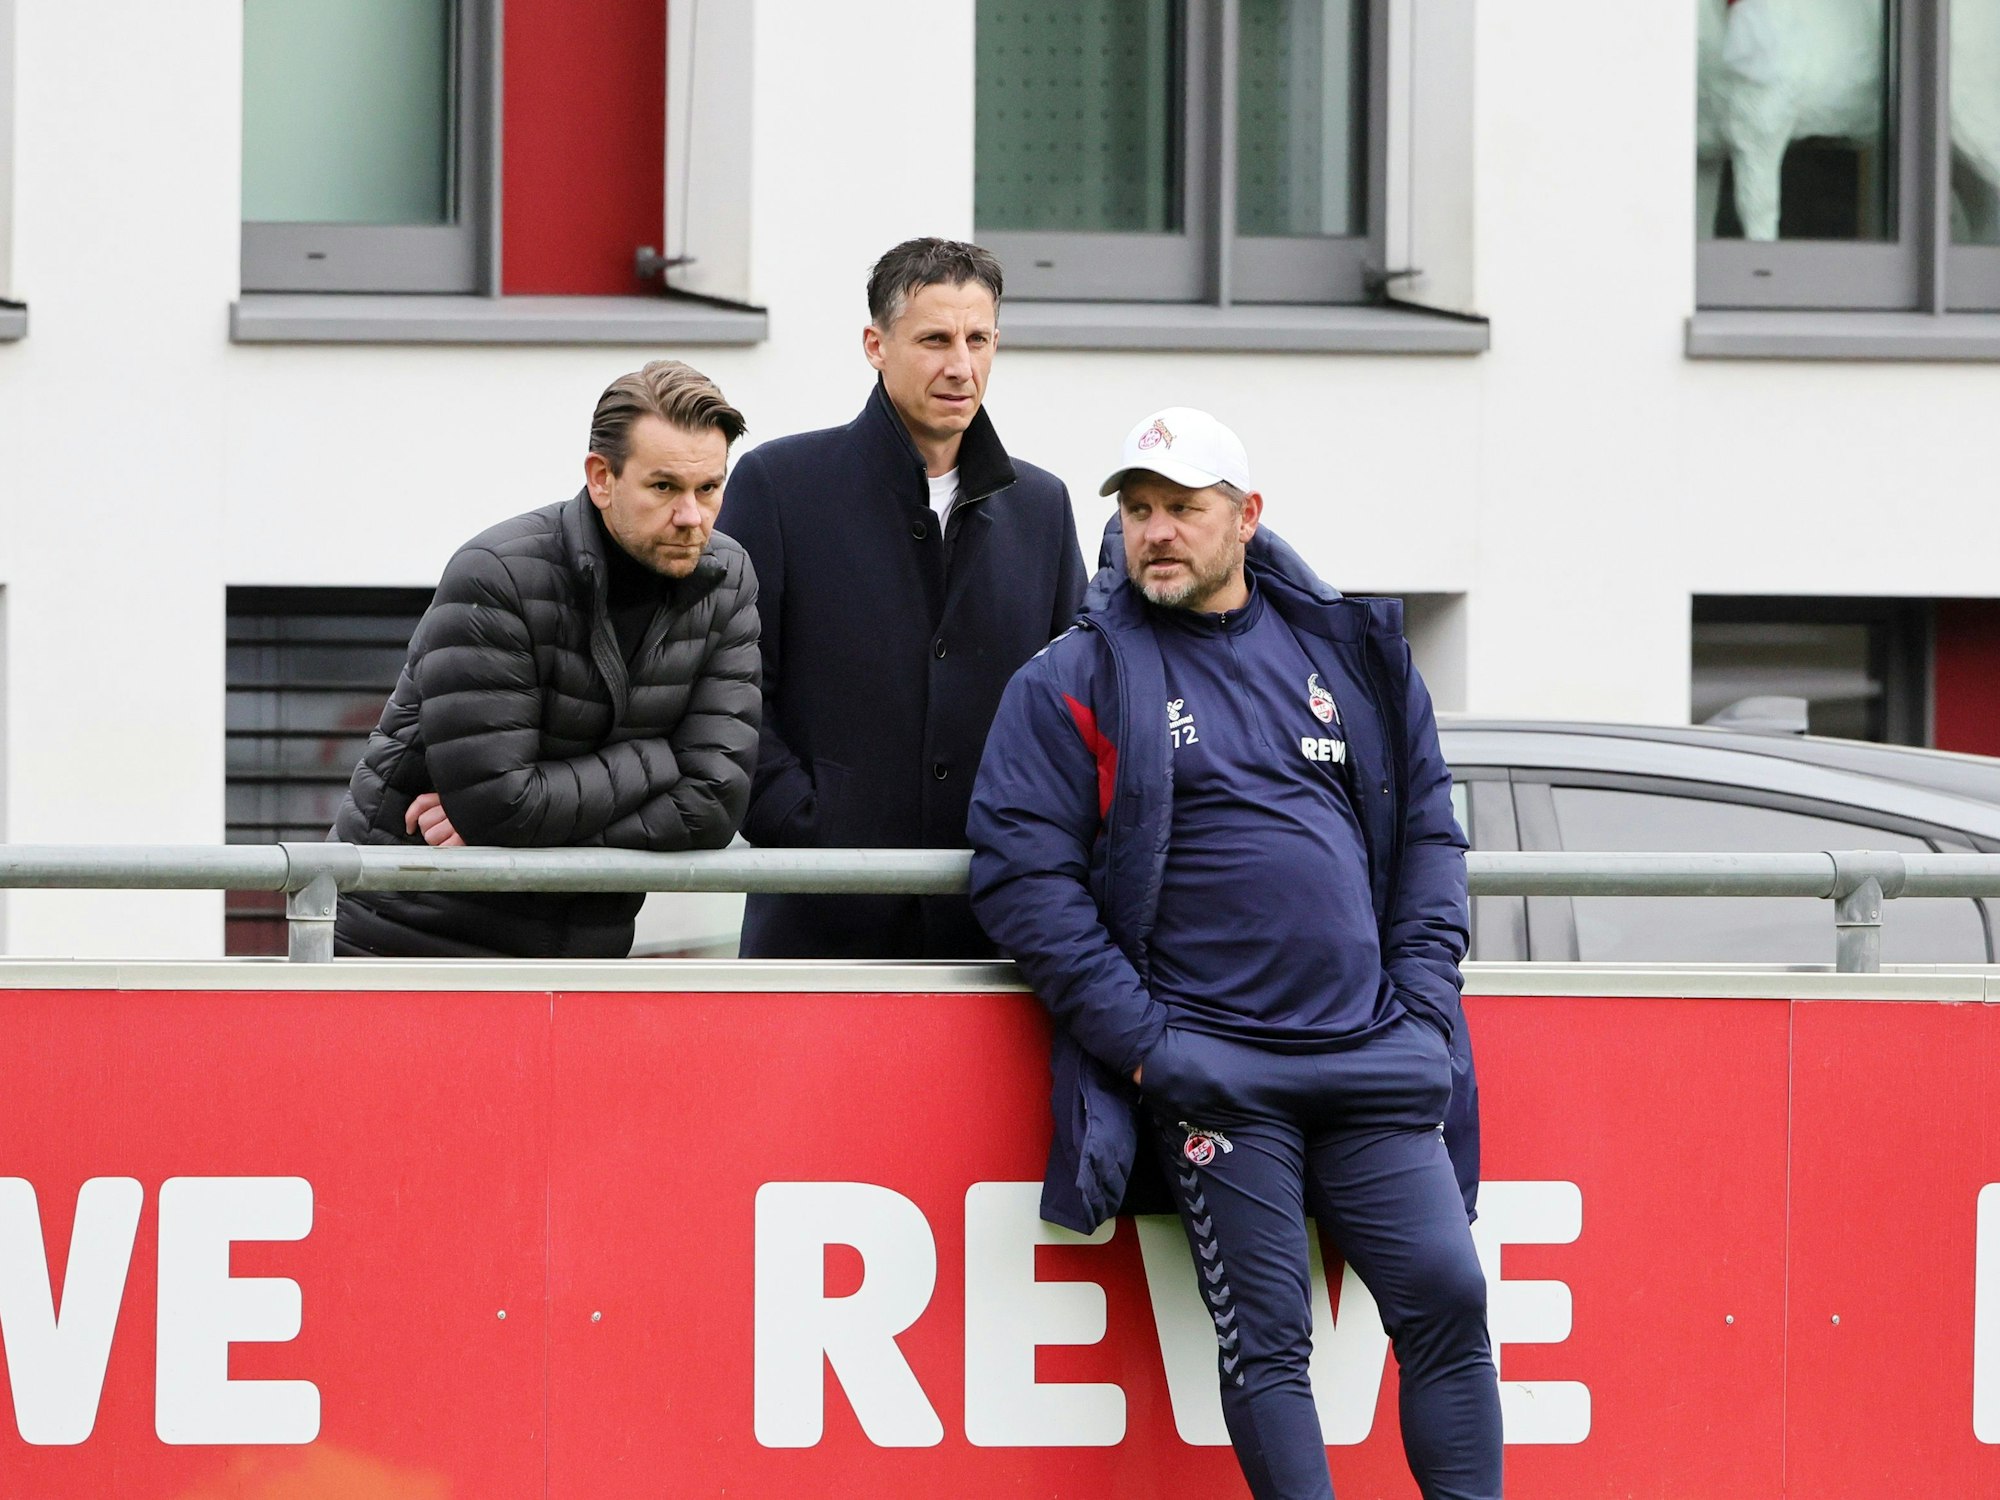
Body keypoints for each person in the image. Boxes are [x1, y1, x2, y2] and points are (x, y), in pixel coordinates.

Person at [967, 408, 1501, 1500]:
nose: (1155, 532)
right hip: (1216, 1076)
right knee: (1269, 1344)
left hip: (1369, 1056)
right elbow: (1025, 883)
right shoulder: (1070, 678)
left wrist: (1415, 1007)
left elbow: (1431, 838)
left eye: (1182, 509)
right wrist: (1153, 1051)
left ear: (1245, 519)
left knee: (1448, 1302)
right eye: (1137, 510)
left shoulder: (1348, 656)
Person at [717, 236, 1087, 959]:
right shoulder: (778, 486)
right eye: (935, 339)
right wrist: (807, 825)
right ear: (875, 345)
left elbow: (1075, 704)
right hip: (817, 930)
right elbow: (730, 692)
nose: (961, 365)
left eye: (978, 339)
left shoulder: (1043, 506)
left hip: (995, 931)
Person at [329, 360, 762, 959]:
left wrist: (531, 825)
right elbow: (501, 804)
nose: (692, 517)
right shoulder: (498, 575)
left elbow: (716, 804)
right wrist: (659, 757)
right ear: (601, 478)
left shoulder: (728, 577)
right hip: (413, 939)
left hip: (580, 950)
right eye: (664, 487)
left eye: (708, 488)